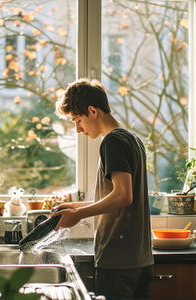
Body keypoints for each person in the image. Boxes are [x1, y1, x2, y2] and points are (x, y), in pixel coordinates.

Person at [51, 78, 154, 300]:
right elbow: (117, 198)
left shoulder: (112, 142)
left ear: (92, 111)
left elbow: (123, 196)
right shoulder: (132, 139)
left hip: (118, 262)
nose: (78, 129)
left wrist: (78, 214)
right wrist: (74, 206)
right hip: (141, 260)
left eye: (77, 120)